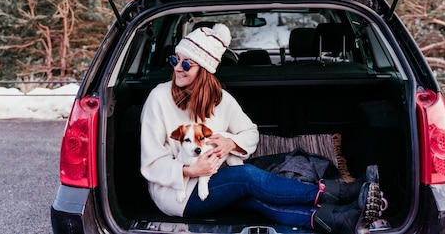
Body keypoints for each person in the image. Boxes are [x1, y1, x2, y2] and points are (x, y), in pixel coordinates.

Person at [140, 23, 385, 234]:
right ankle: (339, 192)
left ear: (204, 70)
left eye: (187, 64)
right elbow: (151, 163)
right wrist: (191, 170)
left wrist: (230, 142)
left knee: (258, 200)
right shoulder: (158, 98)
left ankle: (337, 219)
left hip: (216, 182)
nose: (177, 68)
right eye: (175, 60)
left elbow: (250, 133)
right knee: (246, 177)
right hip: (176, 194)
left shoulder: (221, 99)